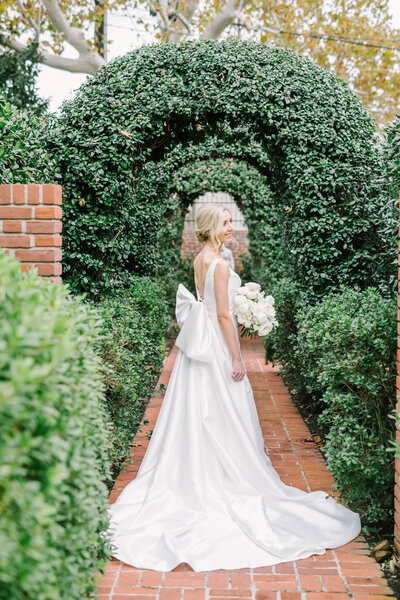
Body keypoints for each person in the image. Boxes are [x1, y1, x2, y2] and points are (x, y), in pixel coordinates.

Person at [105, 203, 361, 572]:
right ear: (211, 228)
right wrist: (237, 357)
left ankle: (194, 474)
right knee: (223, 410)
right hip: (217, 348)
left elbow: (209, 305)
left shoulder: (199, 258)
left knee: (195, 412)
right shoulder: (221, 264)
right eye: (226, 223)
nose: (231, 229)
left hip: (198, 353)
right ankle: (224, 478)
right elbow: (223, 314)